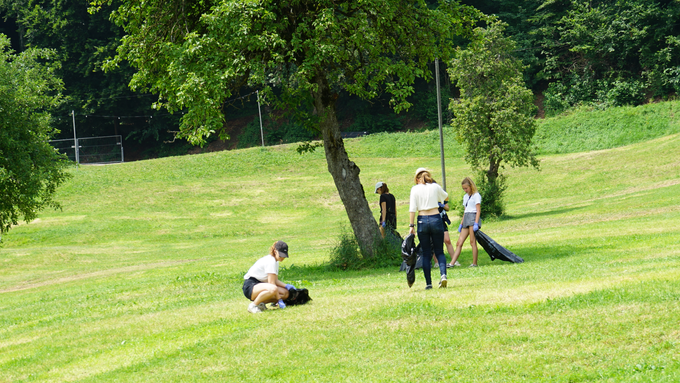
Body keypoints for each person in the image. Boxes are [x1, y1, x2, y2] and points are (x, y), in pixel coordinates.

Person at [408, 168, 449, 289]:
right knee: (439, 251)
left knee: (426, 253)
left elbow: (412, 209)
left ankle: (428, 283)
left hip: (422, 219)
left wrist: (411, 226)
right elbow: (446, 198)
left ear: (417, 179)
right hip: (436, 218)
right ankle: (443, 276)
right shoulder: (435, 187)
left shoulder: (415, 189)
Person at [242, 240, 296, 313]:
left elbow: (275, 280)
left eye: (284, 255)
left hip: (261, 285)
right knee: (273, 289)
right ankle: (253, 306)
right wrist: (279, 299)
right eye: (280, 254)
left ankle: (260, 304)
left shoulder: (275, 261)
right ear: (275, 251)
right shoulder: (271, 261)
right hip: (250, 286)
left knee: (285, 293)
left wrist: (287, 286)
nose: (282, 257)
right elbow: (272, 284)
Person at [448, 177, 481, 268]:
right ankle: (452, 263)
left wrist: (476, 223)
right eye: (463, 188)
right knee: (459, 242)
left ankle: (474, 263)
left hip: (473, 217)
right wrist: (461, 223)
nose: (465, 190)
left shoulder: (476, 195)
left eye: (466, 188)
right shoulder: (465, 197)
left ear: (471, 186)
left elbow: (478, 210)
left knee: (472, 242)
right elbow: (465, 210)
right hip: (466, 218)